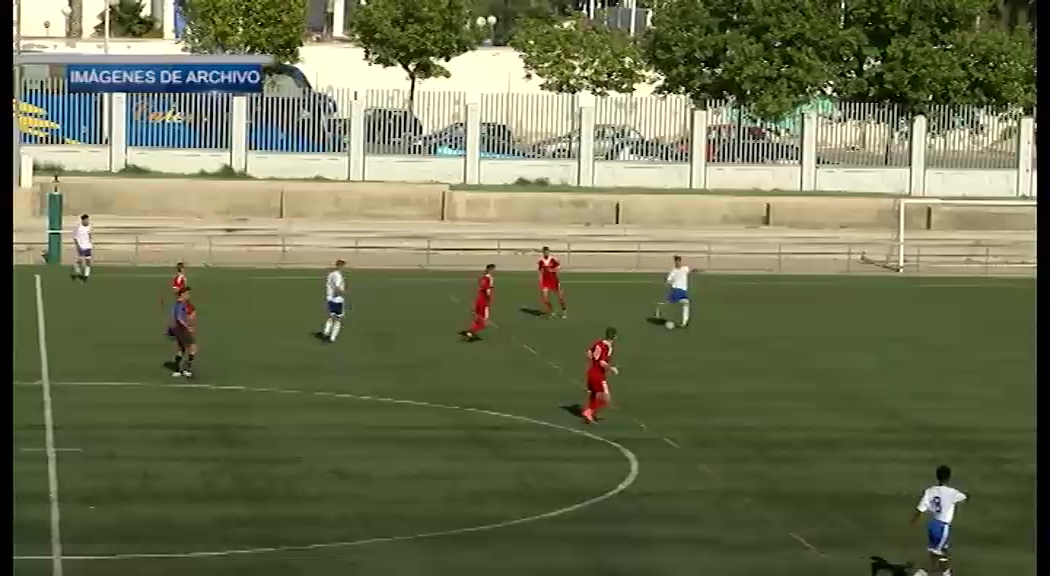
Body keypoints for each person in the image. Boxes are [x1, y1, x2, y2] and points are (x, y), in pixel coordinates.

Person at [910, 465, 968, 576]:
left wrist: (912, 522)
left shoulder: (930, 491)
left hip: (933, 525)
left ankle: (946, 572)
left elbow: (920, 509)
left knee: (941, 550)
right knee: (937, 554)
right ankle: (922, 574)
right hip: (943, 527)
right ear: (949, 477)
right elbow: (964, 497)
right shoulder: (952, 492)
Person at [582, 327, 619, 424]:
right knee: (606, 398)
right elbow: (602, 362)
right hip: (598, 375)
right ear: (615, 337)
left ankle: (591, 414)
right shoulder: (607, 347)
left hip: (591, 372)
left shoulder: (599, 343)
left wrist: (594, 362)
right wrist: (611, 368)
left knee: (594, 394)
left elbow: (588, 353)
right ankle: (589, 411)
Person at [460, 264, 495, 342]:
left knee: (478, 318)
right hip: (484, 301)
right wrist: (488, 298)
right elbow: (488, 290)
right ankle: (470, 333)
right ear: (491, 270)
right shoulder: (490, 278)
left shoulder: (482, 277)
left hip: (479, 300)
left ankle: (470, 331)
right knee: (483, 323)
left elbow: (482, 287)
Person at [657, 255, 693, 329]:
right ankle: (660, 308)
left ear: (680, 261)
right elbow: (668, 282)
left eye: (679, 261)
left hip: (683, 291)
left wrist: (697, 270)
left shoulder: (685, 269)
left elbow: (691, 269)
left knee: (685, 304)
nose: (678, 263)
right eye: (676, 261)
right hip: (677, 290)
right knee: (683, 303)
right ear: (675, 262)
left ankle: (684, 323)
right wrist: (670, 282)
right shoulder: (673, 271)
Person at [168, 286, 197, 378]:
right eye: (188, 294)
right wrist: (187, 326)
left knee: (182, 349)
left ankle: (177, 370)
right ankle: (186, 369)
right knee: (193, 348)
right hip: (181, 330)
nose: (189, 295)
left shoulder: (181, 304)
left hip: (179, 330)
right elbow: (179, 318)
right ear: (183, 294)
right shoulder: (180, 305)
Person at [321, 259, 347, 343]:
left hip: (330, 298)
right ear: (341, 266)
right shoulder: (338, 276)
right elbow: (337, 287)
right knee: (338, 319)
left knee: (331, 316)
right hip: (337, 299)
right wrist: (343, 291)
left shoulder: (331, 274)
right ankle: (332, 337)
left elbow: (328, 285)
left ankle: (326, 331)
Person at [538, 246, 567, 318]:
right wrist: (540, 281)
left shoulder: (553, 259)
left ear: (549, 252)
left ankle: (564, 311)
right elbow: (540, 271)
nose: (546, 253)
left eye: (547, 252)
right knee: (545, 299)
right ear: (543, 252)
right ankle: (552, 311)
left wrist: (553, 270)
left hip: (554, 281)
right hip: (545, 282)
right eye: (545, 252)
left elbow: (559, 269)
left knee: (560, 297)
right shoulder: (540, 261)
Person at [71, 214, 93, 282]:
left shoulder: (89, 227)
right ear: (82, 220)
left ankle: (86, 275)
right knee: (80, 261)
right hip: (81, 246)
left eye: (88, 220)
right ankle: (77, 270)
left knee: (88, 261)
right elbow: (75, 238)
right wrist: (78, 246)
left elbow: (90, 235)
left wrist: (90, 243)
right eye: (86, 220)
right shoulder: (78, 228)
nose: (87, 221)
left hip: (88, 246)